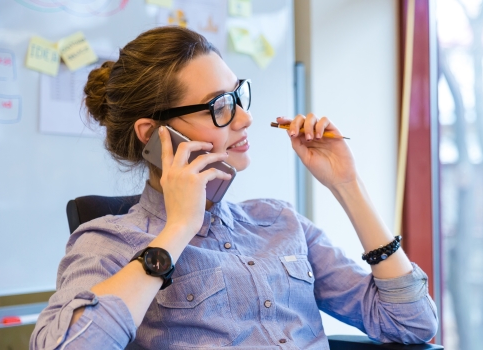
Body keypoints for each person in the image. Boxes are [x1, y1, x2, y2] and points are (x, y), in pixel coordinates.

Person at [30, 26, 438, 350]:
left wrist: (348, 186)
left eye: (237, 96)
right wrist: (177, 232)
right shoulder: (108, 243)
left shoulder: (278, 222)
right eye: (219, 106)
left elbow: (413, 324)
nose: (245, 119)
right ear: (154, 135)